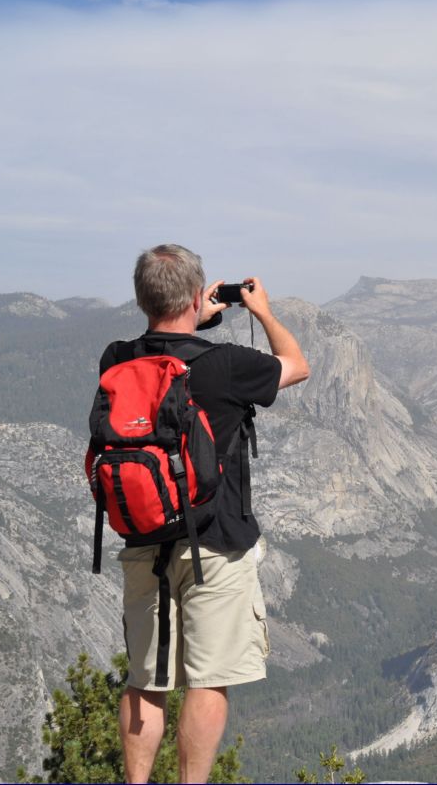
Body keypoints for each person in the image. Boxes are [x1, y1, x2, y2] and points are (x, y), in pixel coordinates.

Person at [102, 244, 310, 783]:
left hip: (143, 536)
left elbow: (165, 358)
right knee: (207, 679)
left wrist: (194, 317)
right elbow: (297, 365)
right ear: (196, 296)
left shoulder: (116, 359)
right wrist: (260, 310)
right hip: (214, 541)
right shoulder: (225, 366)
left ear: (141, 297)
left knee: (145, 680)